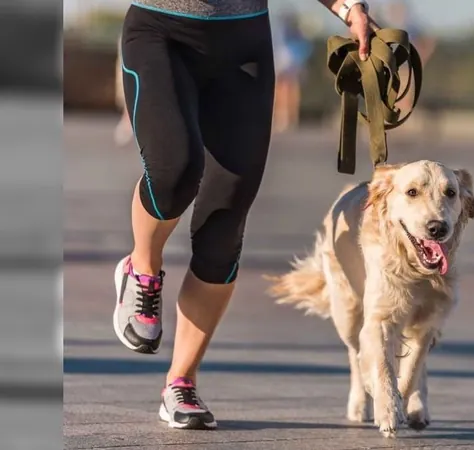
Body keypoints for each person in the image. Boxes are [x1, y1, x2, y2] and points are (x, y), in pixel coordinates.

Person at [112, 0, 373, 430]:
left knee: (226, 216)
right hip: (161, 33)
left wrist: (349, 9)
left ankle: (181, 382)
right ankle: (142, 266)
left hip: (243, 44)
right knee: (175, 172)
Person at [272, 11, 314, 132]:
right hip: (286, 63)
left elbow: (304, 49)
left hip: (290, 64)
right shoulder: (285, 33)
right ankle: (284, 117)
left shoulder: (292, 33)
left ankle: (288, 117)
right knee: (282, 90)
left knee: (288, 90)